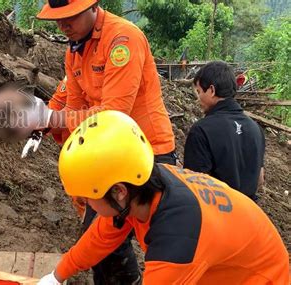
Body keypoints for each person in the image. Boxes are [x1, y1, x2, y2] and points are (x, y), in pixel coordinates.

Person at [37, 110, 289, 285]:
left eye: (86, 198)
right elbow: (99, 238)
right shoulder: (144, 187)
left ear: (118, 192)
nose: (84, 204)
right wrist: (56, 276)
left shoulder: (176, 239)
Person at [35, 1, 176, 283]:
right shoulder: (74, 50)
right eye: (58, 20)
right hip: (107, 155)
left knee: (159, 236)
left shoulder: (123, 39)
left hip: (147, 151)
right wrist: (48, 125)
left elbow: (114, 114)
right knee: (102, 238)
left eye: (70, 17)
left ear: (93, 8)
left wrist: (54, 118)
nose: (63, 26)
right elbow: (74, 108)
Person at [184, 61, 265, 201]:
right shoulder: (256, 129)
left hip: (217, 215)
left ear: (212, 90)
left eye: (199, 92)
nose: (198, 99)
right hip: (247, 213)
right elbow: (260, 179)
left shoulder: (202, 130)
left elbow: (195, 187)